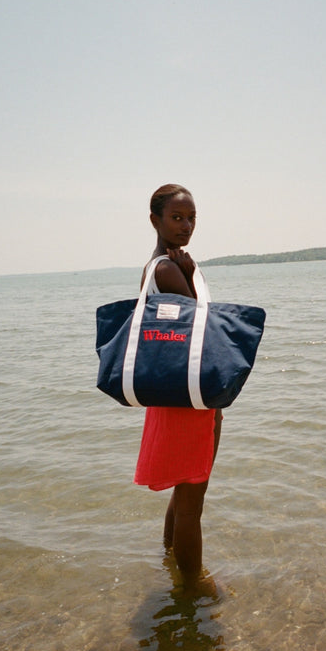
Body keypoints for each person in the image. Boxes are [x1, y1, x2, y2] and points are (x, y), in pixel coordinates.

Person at [134, 184, 222, 594]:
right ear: (155, 220)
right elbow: (203, 328)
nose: (186, 226)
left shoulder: (155, 265)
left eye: (191, 219)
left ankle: (170, 558)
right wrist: (188, 274)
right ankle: (194, 586)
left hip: (175, 393)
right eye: (176, 218)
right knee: (192, 503)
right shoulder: (169, 269)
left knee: (182, 492)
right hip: (191, 398)